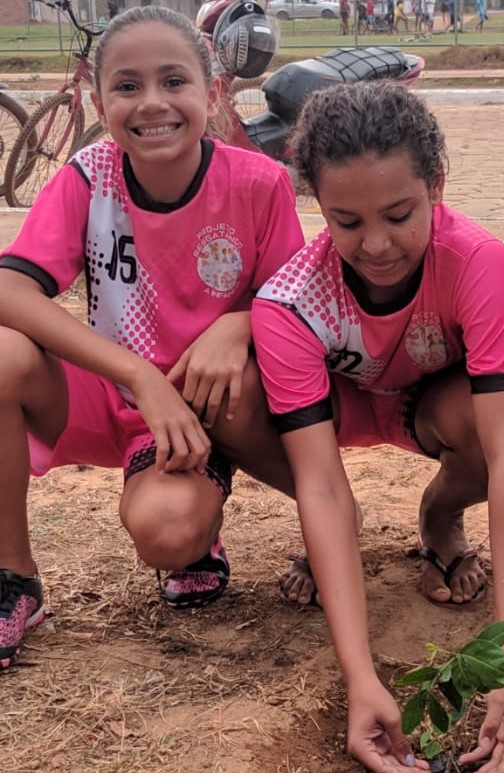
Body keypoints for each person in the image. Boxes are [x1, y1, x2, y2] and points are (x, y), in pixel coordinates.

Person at [252, 81, 504, 773]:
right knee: (237, 396)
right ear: (317, 204)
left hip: (432, 406)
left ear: (436, 184)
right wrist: (360, 677)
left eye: (400, 214)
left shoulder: (475, 260)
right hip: (341, 413)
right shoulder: (288, 303)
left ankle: (440, 516)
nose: (376, 244)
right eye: (346, 221)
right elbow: (319, 483)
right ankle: (332, 548)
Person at [0, 5, 304, 670]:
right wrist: (138, 375)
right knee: (2, 356)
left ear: (213, 93)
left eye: (173, 81)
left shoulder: (259, 183)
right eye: (128, 86)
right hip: (112, 395)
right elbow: (9, 289)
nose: (152, 104)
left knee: (168, 533)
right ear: (99, 101)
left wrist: (238, 321)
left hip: (205, 405)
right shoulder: (89, 176)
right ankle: (14, 577)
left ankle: (208, 512)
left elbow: (292, 302)